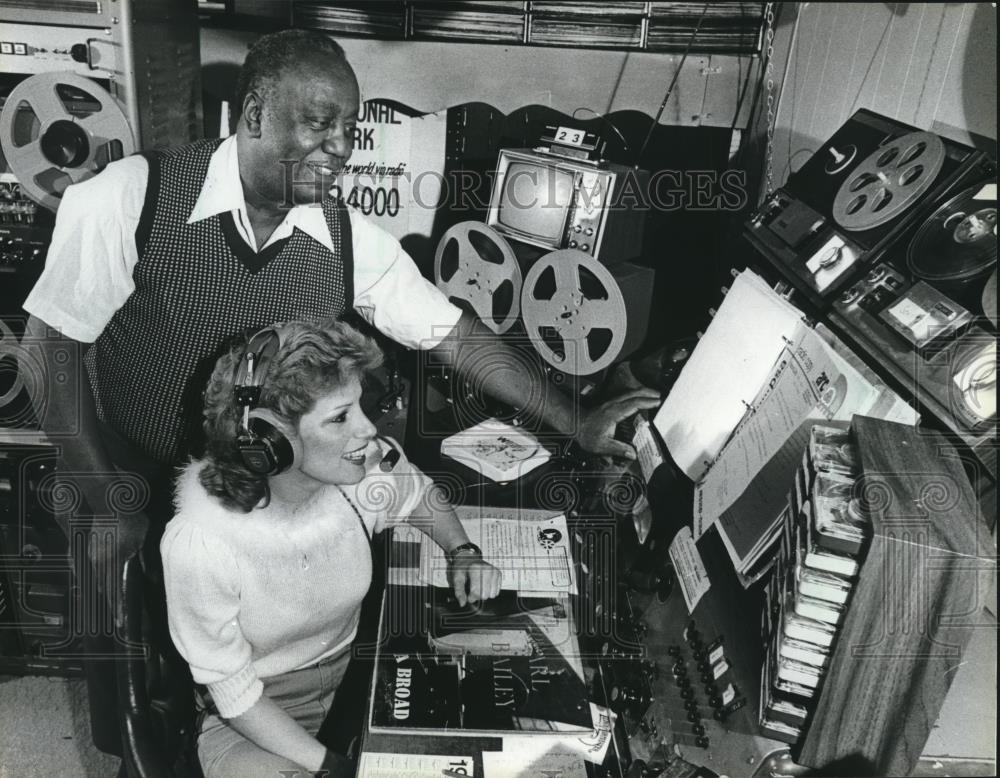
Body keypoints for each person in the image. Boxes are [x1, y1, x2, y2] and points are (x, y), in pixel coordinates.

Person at [18, 27, 657, 756]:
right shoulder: (129, 199)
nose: (343, 147)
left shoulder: (351, 240)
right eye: (320, 123)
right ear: (254, 112)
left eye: (350, 129)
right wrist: (107, 495)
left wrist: (575, 422)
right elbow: (48, 353)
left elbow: (454, 335)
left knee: (253, 665)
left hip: (271, 482)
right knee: (132, 685)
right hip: (129, 465)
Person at [162, 317, 502, 777]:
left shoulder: (356, 475)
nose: (367, 429)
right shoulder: (201, 544)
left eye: (360, 406)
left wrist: (462, 550)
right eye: (340, 417)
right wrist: (331, 766)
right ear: (271, 443)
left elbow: (418, 493)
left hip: (359, 681)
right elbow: (233, 693)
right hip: (254, 716)